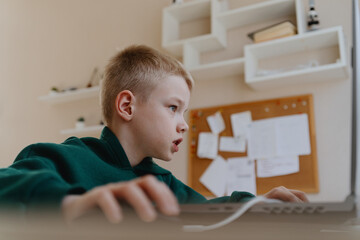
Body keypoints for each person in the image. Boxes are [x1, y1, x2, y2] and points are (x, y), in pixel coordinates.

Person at [0, 45, 308, 224]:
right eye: (174, 108)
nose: (184, 124)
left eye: (185, 112)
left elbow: (210, 212)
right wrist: (72, 205)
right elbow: (7, 185)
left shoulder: (163, 183)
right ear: (127, 106)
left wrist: (254, 205)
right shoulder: (60, 157)